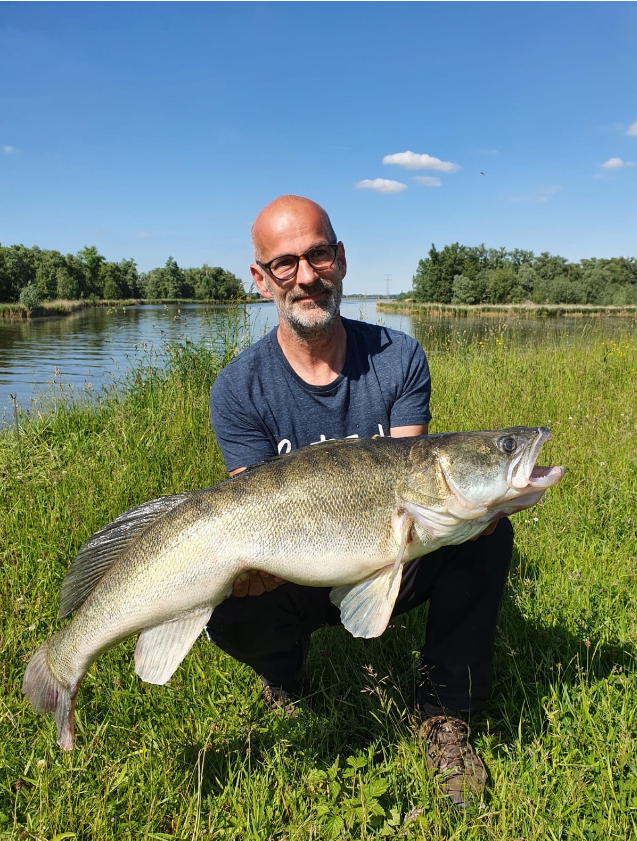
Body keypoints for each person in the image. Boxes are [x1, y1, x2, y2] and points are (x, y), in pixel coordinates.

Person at [207, 195, 513, 809]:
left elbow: (413, 482)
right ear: (261, 278)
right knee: (223, 595)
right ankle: (284, 675)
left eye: (318, 254)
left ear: (341, 259)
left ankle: (442, 714)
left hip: (385, 552)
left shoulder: (398, 357)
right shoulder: (238, 386)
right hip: (294, 571)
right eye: (285, 263)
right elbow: (251, 501)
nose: (306, 276)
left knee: (487, 529)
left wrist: (475, 508)